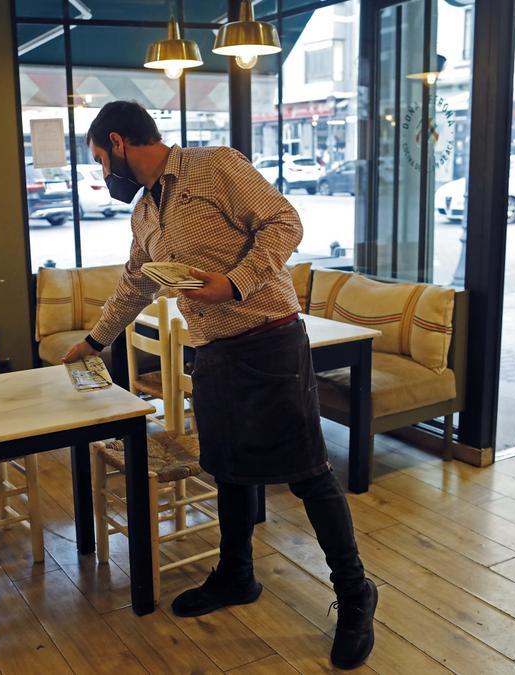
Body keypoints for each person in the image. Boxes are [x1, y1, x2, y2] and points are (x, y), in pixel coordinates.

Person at [62, 100, 376, 670]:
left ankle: (356, 595)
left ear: (119, 142)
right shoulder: (145, 215)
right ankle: (236, 575)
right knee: (228, 468)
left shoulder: (216, 167)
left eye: (100, 160)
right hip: (213, 354)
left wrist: (234, 283)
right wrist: (94, 341)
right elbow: (135, 284)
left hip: (269, 340)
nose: (103, 173)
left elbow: (285, 222)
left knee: (308, 474)